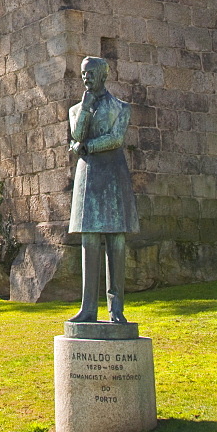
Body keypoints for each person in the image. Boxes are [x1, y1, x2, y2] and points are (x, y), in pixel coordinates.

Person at [67, 56, 139, 323]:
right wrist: (85, 109)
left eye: (90, 73)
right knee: (89, 240)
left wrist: (88, 147)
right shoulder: (76, 110)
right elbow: (76, 135)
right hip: (88, 177)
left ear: (103, 75)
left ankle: (116, 308)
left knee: (116, 241)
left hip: (113, 175)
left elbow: (116, 138)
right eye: (83, 74)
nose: (86, 78)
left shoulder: (120, 107)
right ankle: (87, 309)